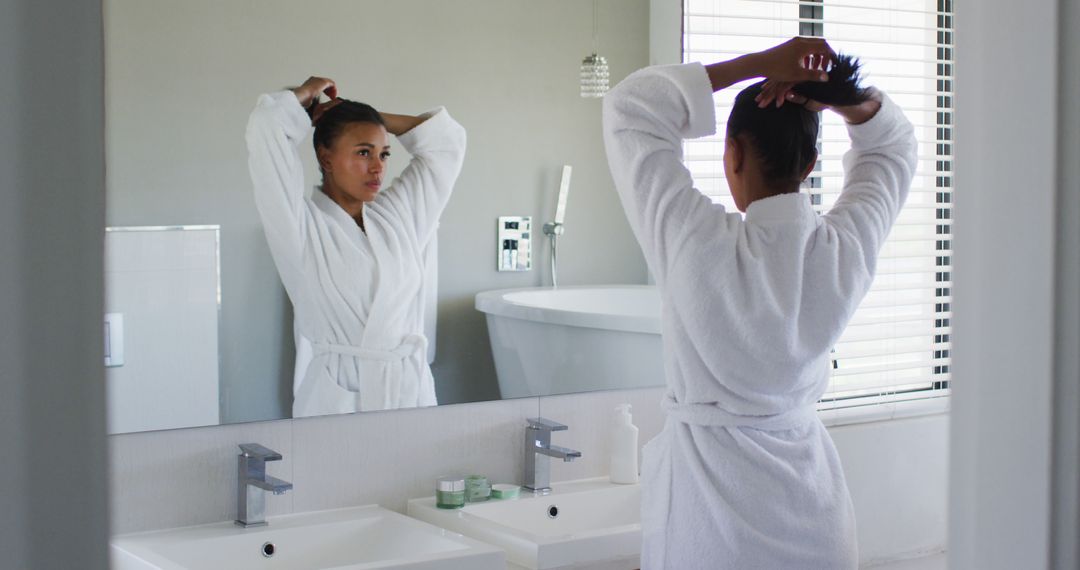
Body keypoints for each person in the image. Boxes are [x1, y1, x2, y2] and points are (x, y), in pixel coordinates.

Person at [602, 38, 917, 568]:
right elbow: (892, 150)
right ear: (812, 162)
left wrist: (758, 65)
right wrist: (838, 95)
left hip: (714, 530)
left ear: (733, 154)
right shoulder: (845, 249)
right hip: (819, 524)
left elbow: (631, 109)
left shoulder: (694, 244)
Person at [246, 76, 466, 417]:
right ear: (326, 158)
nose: (378, 167)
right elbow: (266, 127)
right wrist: (306, 99)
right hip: (338, 401)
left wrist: (365, 116)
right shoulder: (299, 226)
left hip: (410, 395)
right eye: (363, 152)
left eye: (384, 153)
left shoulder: (400, 218)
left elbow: (447, 145)